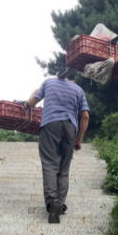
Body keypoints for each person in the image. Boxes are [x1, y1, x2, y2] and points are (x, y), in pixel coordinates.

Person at [24, 71, 90, 223]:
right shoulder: (79, 90)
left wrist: (29, 99)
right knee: (63, 168)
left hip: (50, 125)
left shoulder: (48, 82)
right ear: (73, 79)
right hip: (70, 127)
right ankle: (59, 203)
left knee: (50, 164)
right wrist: (79, 139)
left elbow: (32, 103)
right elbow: (85, 116)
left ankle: (52, 202)